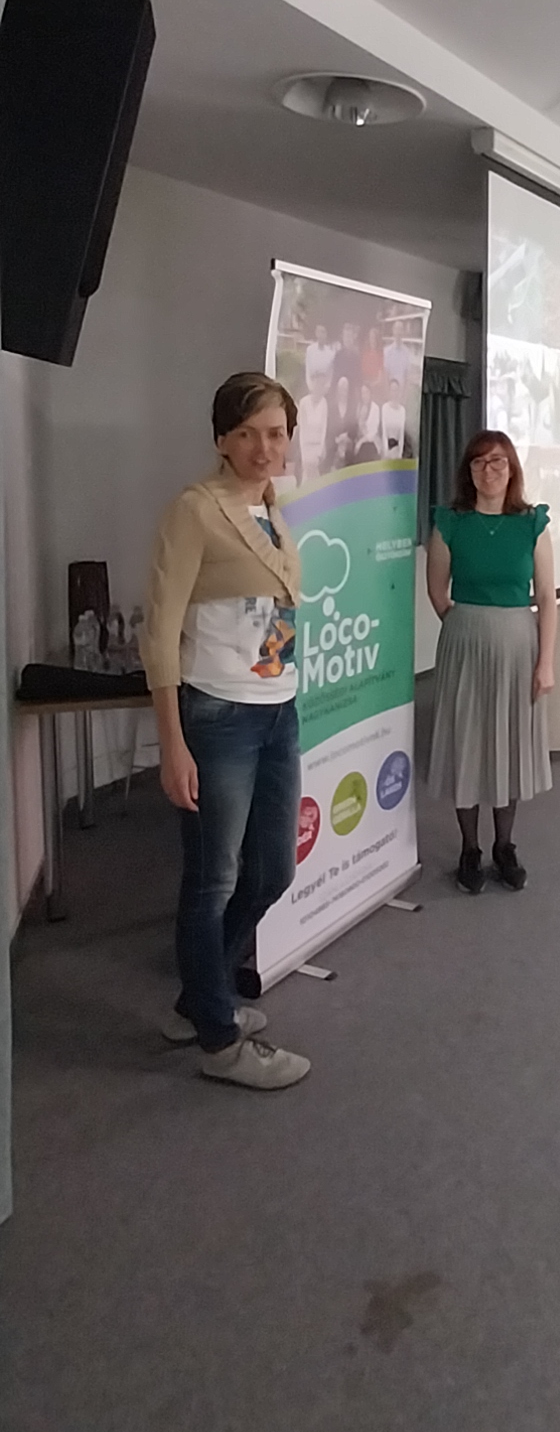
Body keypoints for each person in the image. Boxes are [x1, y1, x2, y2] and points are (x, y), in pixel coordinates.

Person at [142, 372, 310, 1090]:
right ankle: (217, 1038)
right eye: (246, 433)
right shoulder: (195, 510)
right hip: (217, 718)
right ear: (221, 439)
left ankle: (200, 993)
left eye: (274, 433)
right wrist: (171, 742)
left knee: (273, 870)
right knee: (213, 879)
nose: (262, 448)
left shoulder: (273, 506)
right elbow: (160, 632)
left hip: (278, 711)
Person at [426, 430, 557, 894]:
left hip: (519, 646)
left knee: (508, 744)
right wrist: (469, 626)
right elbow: (437, 591)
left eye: (498, 461)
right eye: (479, 462)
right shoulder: (449, 522)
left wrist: (546, 662)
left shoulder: (532, 523)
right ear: (468, 471)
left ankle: (504, 846)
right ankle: (470, 849)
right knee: (467, 742)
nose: (489, 470)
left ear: (512, 468)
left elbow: (547, 597)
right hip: (464, 642)